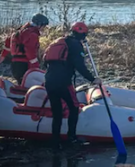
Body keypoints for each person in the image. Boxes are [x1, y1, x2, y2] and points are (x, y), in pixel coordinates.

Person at [42, 21, 101, 149]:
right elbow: (80, 66)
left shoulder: (59, 42)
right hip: (63, 82)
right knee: (74, 108)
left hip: (49, 81)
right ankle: (71, 138)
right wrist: (92, 79)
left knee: (57, 112)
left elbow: (44, 62)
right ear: (83, 34)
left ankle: (55, 140)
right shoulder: (76, 45)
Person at [0, 13, 49, 84]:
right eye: (44, 26)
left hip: (14, 64)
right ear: (39, 25)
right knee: (28, 84)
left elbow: (8, 42)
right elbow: (30, 51)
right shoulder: (32, 35)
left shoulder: (19, 31)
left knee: (20, 82)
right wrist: (35, 66)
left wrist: (2, 56)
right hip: (24, 65)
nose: (44, 28)